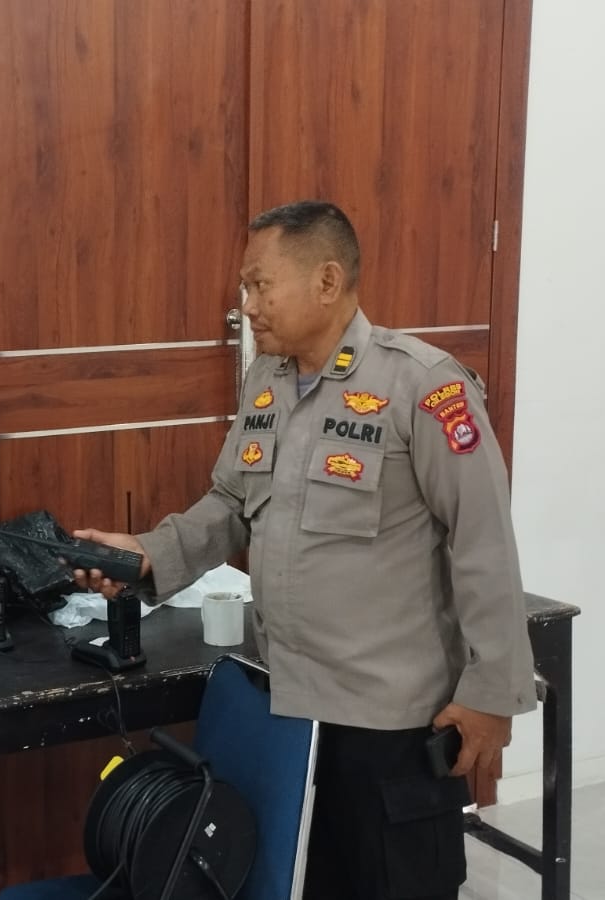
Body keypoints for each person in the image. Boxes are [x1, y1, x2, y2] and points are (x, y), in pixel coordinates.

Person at [72, 201, 536, 900]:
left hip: (389, 724)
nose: (248, 306)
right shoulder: (267, 382)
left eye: (261, 285)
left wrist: (492, 693)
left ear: (327, 281)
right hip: (290, 715)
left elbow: (485, 541)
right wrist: (146, 554)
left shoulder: (423, 386)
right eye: (246, 288)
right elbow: (231, 504)